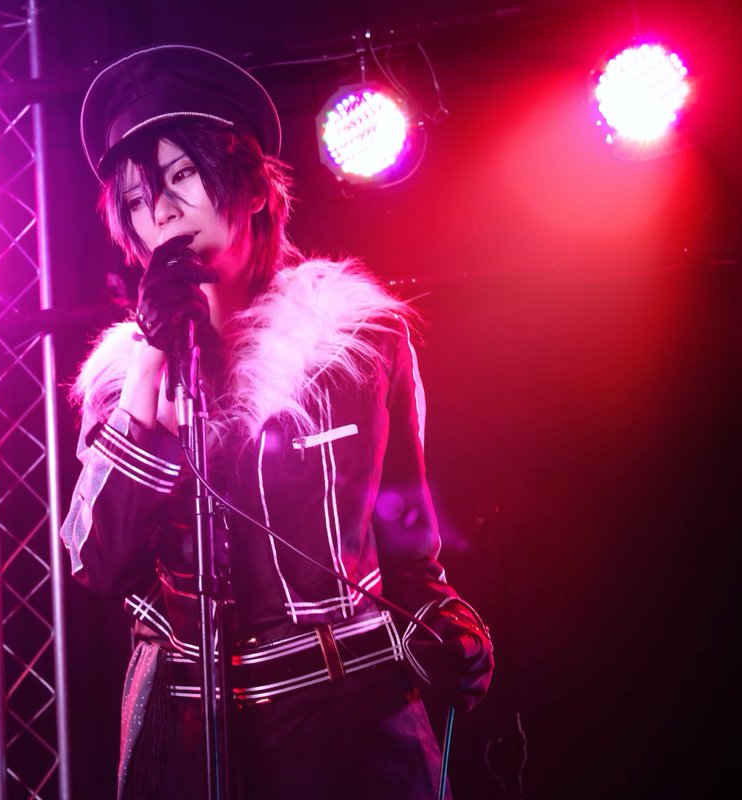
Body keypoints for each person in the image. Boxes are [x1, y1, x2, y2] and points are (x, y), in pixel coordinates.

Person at [61, 44, 493, 799]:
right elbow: (98, 560)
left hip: (351, 721)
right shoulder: (127, 380)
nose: (159, 211)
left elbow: (407, 542)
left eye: (181, 176)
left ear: (256, 188)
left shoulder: (358, 344)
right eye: (134, 199)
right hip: (191, 736)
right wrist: (151, 359)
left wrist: (445, 619)